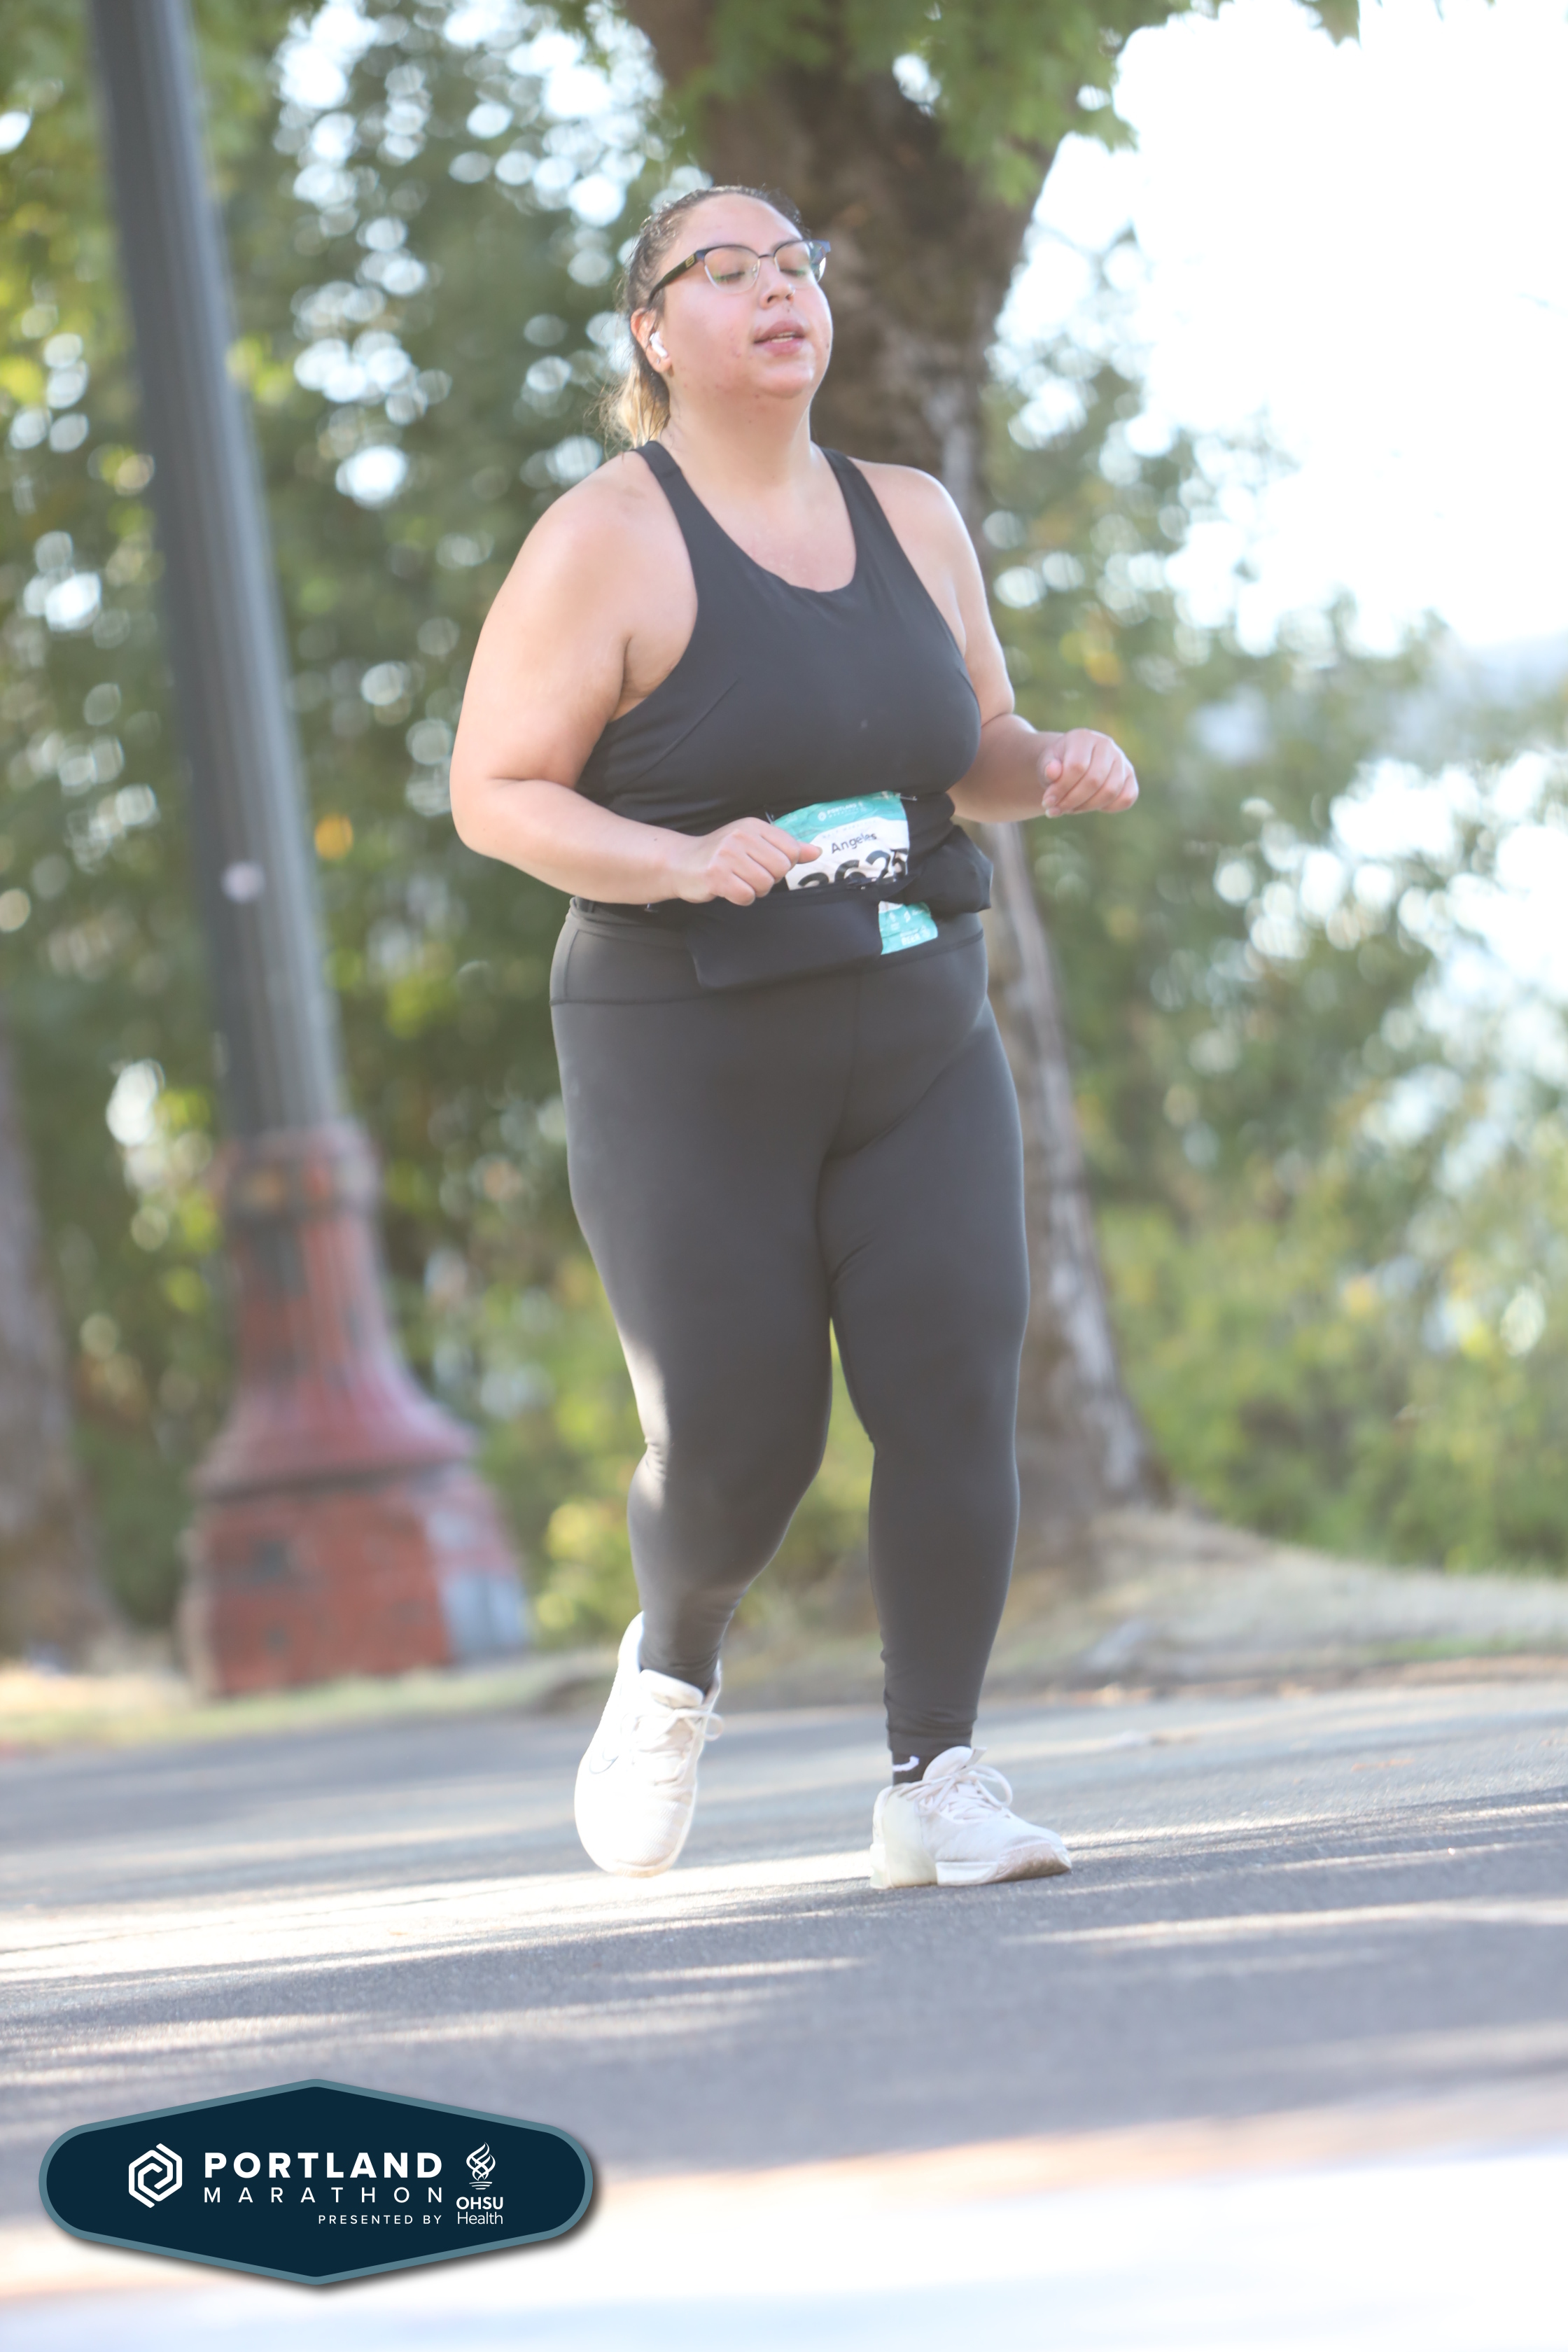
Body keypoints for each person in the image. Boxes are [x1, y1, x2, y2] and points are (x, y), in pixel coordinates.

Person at [450, 183, 1138, 1889]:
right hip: (684, 1052)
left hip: (918, 1024)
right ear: (653, 331)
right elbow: (496, 792)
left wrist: (1050, 763)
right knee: (740, 1440)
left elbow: (970, 746)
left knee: (953, 1383)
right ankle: (671, 1667)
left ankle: (935, 1777)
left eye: (796, 265)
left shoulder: (910, 514)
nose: (778, 291)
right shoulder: (606, 537)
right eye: (728, 271)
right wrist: (677, 859)